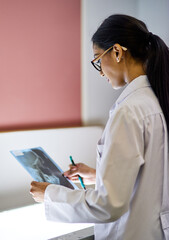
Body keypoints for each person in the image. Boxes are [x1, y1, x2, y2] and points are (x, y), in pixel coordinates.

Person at [30, 14, 169, 240]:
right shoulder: (156, 99)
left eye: (97, 59)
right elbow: (155, 171)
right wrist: (98, 175)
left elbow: (109, 205)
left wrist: (50, 195)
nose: (101, 71)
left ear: (116, 51)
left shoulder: (129, 111)